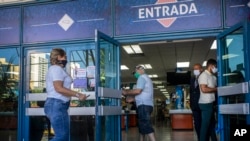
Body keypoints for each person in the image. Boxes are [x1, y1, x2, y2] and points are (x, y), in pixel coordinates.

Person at [44, 48, 88, 141]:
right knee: (61, 137)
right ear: (58, 57)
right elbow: (58, 88)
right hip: (57, 104)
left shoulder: (58, 69)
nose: (66, 59)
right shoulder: (56, 69)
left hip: (57, 105)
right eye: (64, 56)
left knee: (63, 136)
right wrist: (78, 95)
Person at [122, 65, 156, 141]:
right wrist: (133, 99)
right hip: (147, 105)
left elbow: (138, 91)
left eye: (135, 71)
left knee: (145, 125)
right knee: (142, 125)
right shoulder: (148, 78)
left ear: (141, 69)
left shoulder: (142, 77)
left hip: (144, 105)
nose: (135, 74)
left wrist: (126, 92)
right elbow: (143, 93)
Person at [198, 59, 218, 141]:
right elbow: (204, 89)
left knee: (211, 124)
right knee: (205, 126)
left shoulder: (213, 77)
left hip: (211, 103)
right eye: (215, 67)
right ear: (211, 66)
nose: (216, 68)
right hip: (205, 104)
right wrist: (217, 89)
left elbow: (214, 88)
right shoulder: (204, 75)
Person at [190, 63, 203, 141]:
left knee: (204, 124)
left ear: (201, 69)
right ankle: (200, 138)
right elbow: (191, 92)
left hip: (202, 104)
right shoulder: (192, 79)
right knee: (197, 124)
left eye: (197, 69)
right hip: (194, 106)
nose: (195, 70)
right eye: (194, 69)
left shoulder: (204, 78)